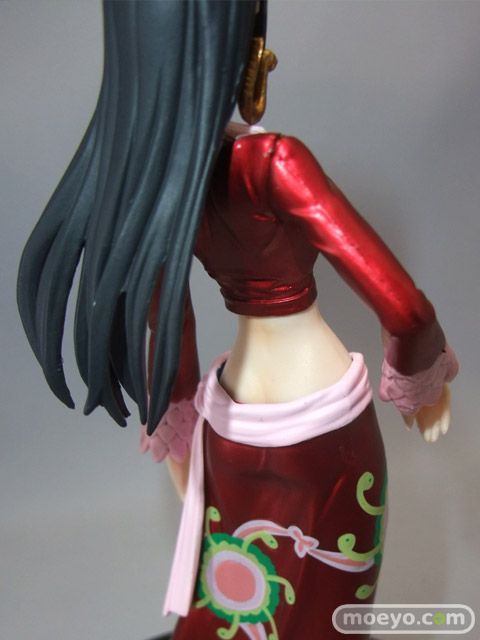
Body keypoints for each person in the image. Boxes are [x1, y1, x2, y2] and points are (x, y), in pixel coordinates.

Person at [17, 2, 458, 639]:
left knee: (236, 597)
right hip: (322, 420)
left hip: (229, 418)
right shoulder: (274, 162)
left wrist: (176, 419)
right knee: (329, 605)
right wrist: (423, 378)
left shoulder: (158, 180)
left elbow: (168, 318)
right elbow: (405, 307)